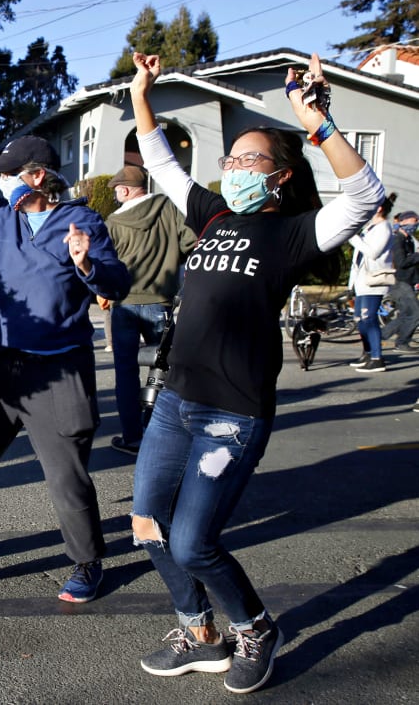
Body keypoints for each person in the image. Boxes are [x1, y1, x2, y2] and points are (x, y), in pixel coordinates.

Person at [128, 51, 384, 695]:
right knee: (148, 527)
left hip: (231, 415)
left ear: (281, 175)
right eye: (231, 158)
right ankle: (201, 634)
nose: (237, 167)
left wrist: (318, 120)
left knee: (192, 544)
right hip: (174, 403)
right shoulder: (212, 214)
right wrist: (141, 92)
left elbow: (366, 195)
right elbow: (159, 158)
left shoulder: (297, 234)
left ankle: (254, 627)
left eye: (252, 159)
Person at [0, 120, 131, 605]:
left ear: (37, 177)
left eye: (9, 172)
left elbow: (116, 285)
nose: (2, 180)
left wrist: (87, 265)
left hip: (57, 370)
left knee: (67, 475)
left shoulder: (82, 225)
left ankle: (86, 562)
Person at [105, 165, 197, 455]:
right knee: (163, 369)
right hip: (161, 302)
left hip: (125, 304)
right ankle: (160, 430)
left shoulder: (113, 222)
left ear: (125, 189)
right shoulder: (169, 209)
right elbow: (192, 242)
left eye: (117, 190)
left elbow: (105, 261)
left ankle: (132, 436)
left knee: (126, 371)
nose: (116, 194)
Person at [346, 203, 393, 372]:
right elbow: (358, 259)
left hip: (374, 281)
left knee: (369, 318)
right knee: (359, 319)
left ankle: (377, 358)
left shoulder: (384, 227)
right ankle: (368, 353)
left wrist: (353, 238)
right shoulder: (371, 227)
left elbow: (373, 252)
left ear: (379, 208)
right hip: (361, 282)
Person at [379, 210, 419, 352]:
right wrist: (417, 256)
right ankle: (402, 342)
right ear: (404, 222)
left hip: (406, 281)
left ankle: (379, 337)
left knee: (404, 314)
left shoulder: (407, 240)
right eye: (414, 221)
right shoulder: (398, 239)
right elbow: (401, 262)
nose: (416, 224)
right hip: (399, 282)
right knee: (415, 313)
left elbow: (410, 264)